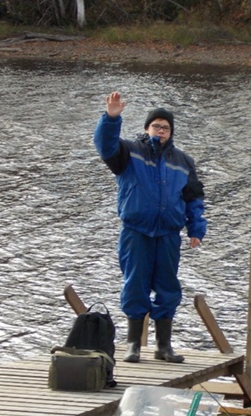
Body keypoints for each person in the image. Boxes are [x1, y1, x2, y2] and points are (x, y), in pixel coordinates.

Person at [93, 91, 206, 364]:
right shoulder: (129, 152)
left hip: (168, 234)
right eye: (156, 126)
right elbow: (104, 145)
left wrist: (196, 229)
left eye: (166, 127)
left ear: (171, 132)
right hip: (136, 232)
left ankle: (163, 347)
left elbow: (194, 198)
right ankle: (133, 345)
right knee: (135, 285)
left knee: (168, 288)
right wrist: (111, 118)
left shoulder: (183, 161)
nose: (161, 130)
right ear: (147, 129)